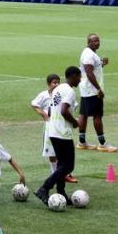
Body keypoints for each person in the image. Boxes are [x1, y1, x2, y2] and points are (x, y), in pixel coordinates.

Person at [35, 66, 81, 206]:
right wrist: (74, 122)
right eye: (79, 77)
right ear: (73, 76)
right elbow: (63, 110)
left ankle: (61, 192)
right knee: (68, 166)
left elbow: (50, 108)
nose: (80, 80)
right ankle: (45, 188)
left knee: (61, 164)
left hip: (53, 130)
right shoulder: (69, 91)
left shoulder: (57, 89)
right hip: (62, 133)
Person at [31, 74, 77, 184]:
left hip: (61, 126)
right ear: (48, 84)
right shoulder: (44, 95)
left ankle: (63, 173)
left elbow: (73, 105)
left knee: (61, 153)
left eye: (58, 82)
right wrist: (43, 114)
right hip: (50, 127)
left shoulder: (62, 93)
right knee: (51, 152)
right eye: (54, 82)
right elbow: (34, 104)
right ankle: (54, 173)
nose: (56, 84)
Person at [78, 33, 117, 152]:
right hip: (92, 90)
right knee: (97, 115)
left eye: (98, 40)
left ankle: (82, 141)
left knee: (84, 114)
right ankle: (102, 143)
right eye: (94, 41)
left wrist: (102, 64)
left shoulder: (90, 53)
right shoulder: (89, 55)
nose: (97, 42)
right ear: (88, 42)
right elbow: (89, 72)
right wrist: (98, 89)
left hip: (86, 89)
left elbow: (93, 70)